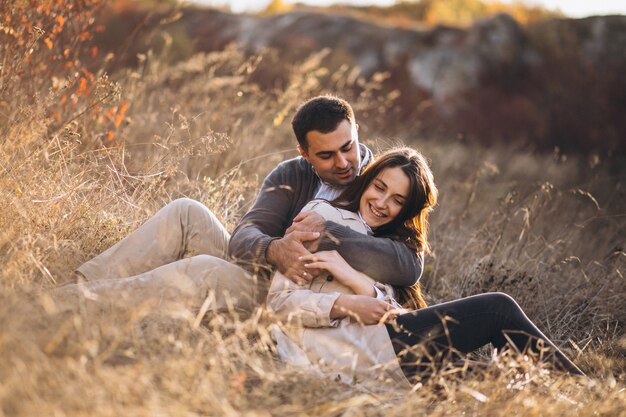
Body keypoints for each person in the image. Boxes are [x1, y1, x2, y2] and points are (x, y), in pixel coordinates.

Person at [57, 96, 422, 320]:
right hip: (267, 278)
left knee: (206, 271)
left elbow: (409, 265)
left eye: (348, 147)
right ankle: (77, 290)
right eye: (326, 155)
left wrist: (327, 236)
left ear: (356, 132)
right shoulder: (292, 174)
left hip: (305, 302)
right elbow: (245, 236)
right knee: (187, 211)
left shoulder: (384, 182)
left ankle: (77, 305)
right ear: (305, 154)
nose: (343, 162)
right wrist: (273, 249)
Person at [267, 147, 584, 389]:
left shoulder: (391, 250)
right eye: (379, 187)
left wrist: (359, 284)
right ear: (367, 180)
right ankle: (590, 394)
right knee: (498, 309)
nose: (382, 203)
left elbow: (386, 310)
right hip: (351, 351)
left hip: (386, 348)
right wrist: (343, 304)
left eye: (397, 200)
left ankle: (566, 398)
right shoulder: (323, 217)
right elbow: (279, 302)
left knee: (492, 374)